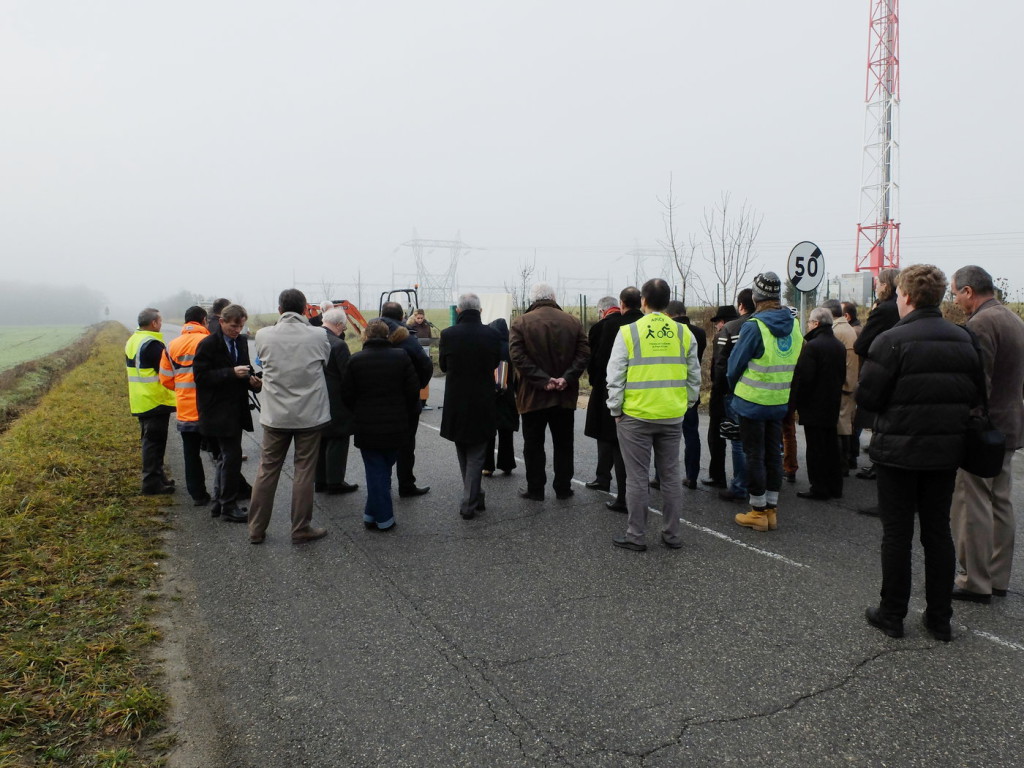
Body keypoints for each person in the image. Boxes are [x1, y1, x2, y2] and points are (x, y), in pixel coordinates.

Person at [857, 264, 980, 642]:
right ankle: (940, 618)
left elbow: (869, 396)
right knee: (937, 533)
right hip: (945, 451)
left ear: (906, 296)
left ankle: (893, 613)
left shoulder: (891, 340)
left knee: (897, 535)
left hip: (898, 451)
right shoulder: (963, 339)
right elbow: (976, 395)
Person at [606, 278, 701, 551]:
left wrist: (615, 409)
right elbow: (694, 375)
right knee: (670, 476)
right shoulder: (684, 333)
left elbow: (615, 376)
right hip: (671, 414)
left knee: (636, 478)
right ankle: (672, 534)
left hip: (635, 415)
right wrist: (687, 403)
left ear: (644, 301)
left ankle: (636, 535)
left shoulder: (629, 332)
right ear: (668, 301)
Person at [949, 265, 1024, 603]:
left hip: (985, 428)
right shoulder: (1014, 320)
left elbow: (979, 382)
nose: (955, 300)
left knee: (972, 502)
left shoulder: (980, 324)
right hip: (1011, 425)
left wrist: (968, 422)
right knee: (1002, 502)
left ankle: (974, 580)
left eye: (955, 293)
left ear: (968, 291)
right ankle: (997, 577)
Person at [247, 289, 332, 545]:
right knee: (304, 471)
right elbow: (323, 363)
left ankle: (256, 529)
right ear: (306, 308)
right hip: (310, 414)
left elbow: (261, 363)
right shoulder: (318, 334)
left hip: (275, 415)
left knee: (267, 470)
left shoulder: (263, 335)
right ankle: (300, 527)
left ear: (279, 309)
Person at [728, 273, 803, 532]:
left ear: (755, 297)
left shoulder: (754, 326)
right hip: (779, 399)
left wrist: (733, 389)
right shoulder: (794, 325)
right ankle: (771, 510)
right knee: (774, 454)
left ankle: (757, 512)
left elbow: (734, 366)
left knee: (754, 455)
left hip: (752, 401)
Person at [509, 282, 590, 501]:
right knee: (563, 444)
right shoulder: (573, 321)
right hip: (563, 395)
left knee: (533, 444)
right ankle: (563, 488)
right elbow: (583, 353)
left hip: (532, 395)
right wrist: (567, 377)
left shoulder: (521, 322)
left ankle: (535, 489)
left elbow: (517, 356)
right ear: (553, 298)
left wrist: (543, 380)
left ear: (533, 299)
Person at [341, 319, 420, 531]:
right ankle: (381, 517)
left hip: (366, 426)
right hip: (396, 424)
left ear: (365, 335)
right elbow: (413, 391)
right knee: (383, 469)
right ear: (387, 336)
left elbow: (347, 394)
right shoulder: (401, 357)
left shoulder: (355, 360)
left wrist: (358, 412)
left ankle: (375, 515)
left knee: (377, 469)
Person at [193, 304, 262, 523]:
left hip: (236, 408)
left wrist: (253, 382)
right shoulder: (208, 344)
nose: (237, 330)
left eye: (241, 326)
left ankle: (218, 502)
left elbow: (246, 369)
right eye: (233, 326)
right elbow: (201, 377)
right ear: (221, 321)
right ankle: (228, 505)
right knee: (231, 457)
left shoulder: (240, 342)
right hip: (216, 410)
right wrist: (230, 373)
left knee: (225, 457)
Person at [439, 293, 502, 519]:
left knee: (463, 448)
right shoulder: (492, 335)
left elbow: (444, 366)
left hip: (456, 399)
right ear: (480, 310)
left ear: (459, 311)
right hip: (482, 399)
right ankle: (473, 498)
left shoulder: (448, 334)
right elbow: (496, 362)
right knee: (477, 452)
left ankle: (472, 498)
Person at [586, 288, 643, 511]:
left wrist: (596, 383)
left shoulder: (604, 327)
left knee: (608, 436)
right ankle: (637, 489)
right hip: (641, 390)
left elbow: (596, 360)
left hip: (607, 388)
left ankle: (606, 479)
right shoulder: (641, 324)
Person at [789, 307, 846, 501]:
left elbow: (805, 378)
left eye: (810, 322)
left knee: (815, 449)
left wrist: (797, 403)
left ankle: (818, 487)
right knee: (830, 446)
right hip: (832, 403)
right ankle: (834, 486)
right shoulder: (838, 345)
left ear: (816, 323)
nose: (808, 325)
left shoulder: (812, 346)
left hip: (814, 405)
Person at [379, 302, 433, 496]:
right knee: (406, 444)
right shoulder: (407, 338)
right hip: (405, 400)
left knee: (379, 446)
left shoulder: (372, 332)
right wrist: (417, 386)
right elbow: (426, 365)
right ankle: (406, 484)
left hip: (377, 400)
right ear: (401, 315)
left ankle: (381, 486)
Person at [852, 268, 901, 485]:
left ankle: (879, 466)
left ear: (887, 285)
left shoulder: (883, 310)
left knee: (879, 422)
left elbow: (860, 344)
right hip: (901, 373)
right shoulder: (901, 308)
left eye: (879, 282)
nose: (876, 286)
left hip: (881, 371)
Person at [159, 305, 212, 505]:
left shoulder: (171, 346)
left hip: (186, 409)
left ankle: (198, 495)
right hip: (210, 408)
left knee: (191, 454)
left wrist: (182, 389)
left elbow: (165, 379)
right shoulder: (209, 341)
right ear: (204, 320)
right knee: (221, 453)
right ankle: (226, 495)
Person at [125, 307, 177, 495]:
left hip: (141, 398)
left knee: (150, 440)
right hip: (155, 399)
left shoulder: (133, 340)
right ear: (154, 323)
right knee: (154, 443)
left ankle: (158, 477)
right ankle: (151, 483)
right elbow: (166, 370)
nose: (161, 324)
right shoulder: (153, 344)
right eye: (160, 321)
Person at [716, 289, 755, 503]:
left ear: (741, 305)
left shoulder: (731, 328)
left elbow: (722, 365)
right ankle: (760, 485)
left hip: (738, 391)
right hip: (768, 391)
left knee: (738, 440)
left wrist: (724, 389)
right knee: (764, 440)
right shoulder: (766, 326)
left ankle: (740, 486)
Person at [315, 307, 358, 495]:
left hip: (314, 397)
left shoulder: (311, 339)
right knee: (338, 439)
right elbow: (348, 376)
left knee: (320, 439)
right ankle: (335, 481)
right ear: (339, 325)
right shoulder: (338, 345)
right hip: (335, 398)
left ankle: (320, 480)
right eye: (344, 326)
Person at [668, 301, 707, 490]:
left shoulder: (670, 332)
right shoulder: (699, 333)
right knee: (692, 434)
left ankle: (662, 476)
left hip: (671, 391)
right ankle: (692, 475)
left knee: (666, 437)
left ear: (669, 315)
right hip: (691, 389)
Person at [704, 305, 740, 489]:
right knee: (742, 437)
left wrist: (716, 391)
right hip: (743, 391)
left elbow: (719, 365)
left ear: (723, 321)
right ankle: (743, 478)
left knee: (716, 436)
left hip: (723, 392)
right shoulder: (748, 329)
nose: (717, 326)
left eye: (717, 322)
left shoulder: (723, 335)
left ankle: (718, 476)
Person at [823, 299, 859, 472]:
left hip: (842, 385)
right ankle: (847, 461)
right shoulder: (848, 328)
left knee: (840, 426)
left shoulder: (836, 331)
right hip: (850, 382)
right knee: (845, 425)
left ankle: (841, 465)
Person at [482, 318, 519, 476]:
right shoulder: (512, 348)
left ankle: (487, 466)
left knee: (489, 432)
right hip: (508, 394)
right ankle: (507, 464)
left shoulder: (489, 347)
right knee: (506, 431)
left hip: (490, 394)